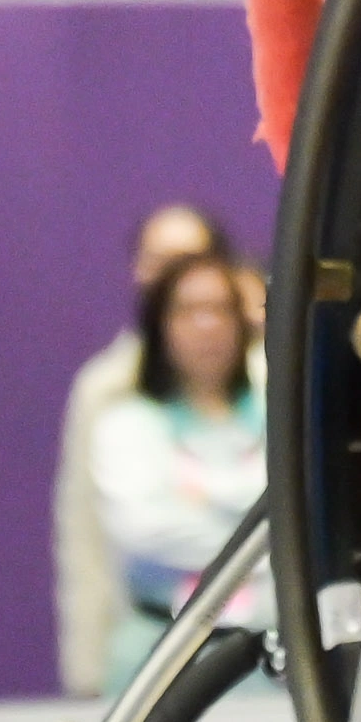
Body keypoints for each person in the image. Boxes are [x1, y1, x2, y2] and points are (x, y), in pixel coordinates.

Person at [58, 202, 233, 694]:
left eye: (190, 259)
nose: (174, 277)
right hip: (148, 651)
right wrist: (87, 664)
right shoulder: (107, 390)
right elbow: (86, 538)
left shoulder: (271, 382)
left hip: (260, 650)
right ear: (138, 271)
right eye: (159, 261)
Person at [80, 252, 271, 689]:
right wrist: (260, 541)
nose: (208, 326)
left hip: (267, 659)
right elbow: (144, 529)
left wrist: (202, 499)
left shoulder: (282, 417)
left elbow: (304, 521)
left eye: (220, 308)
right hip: (158, 659)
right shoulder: (126, 425)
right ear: (159, 324)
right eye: (189, 310)